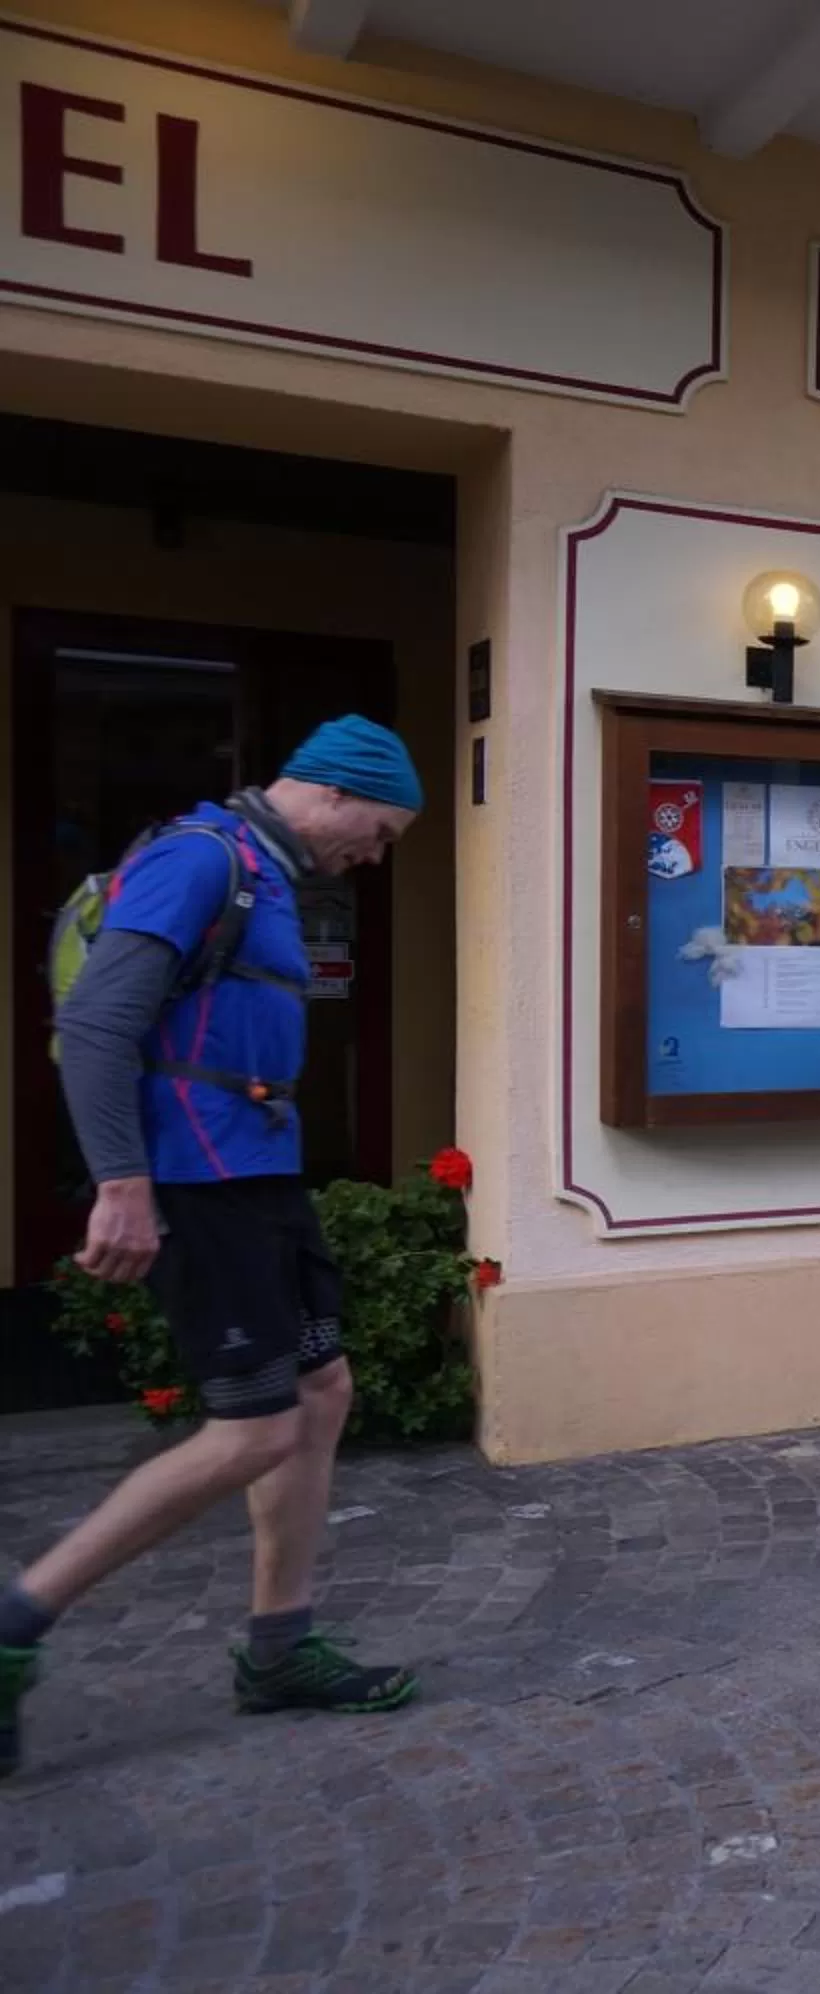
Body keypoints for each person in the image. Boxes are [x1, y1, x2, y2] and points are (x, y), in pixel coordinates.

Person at [0, 716, 427, 1780]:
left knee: (321, 1392)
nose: (373, 856)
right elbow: (97, 1025)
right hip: (198, 1184)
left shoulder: (264, 872)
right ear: (332, 792)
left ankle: (279, 1648)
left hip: (260, 1174)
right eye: (377, 833)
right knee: (251, 1431)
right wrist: (122, 1183)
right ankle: (17, 1619)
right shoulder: (200, 860)